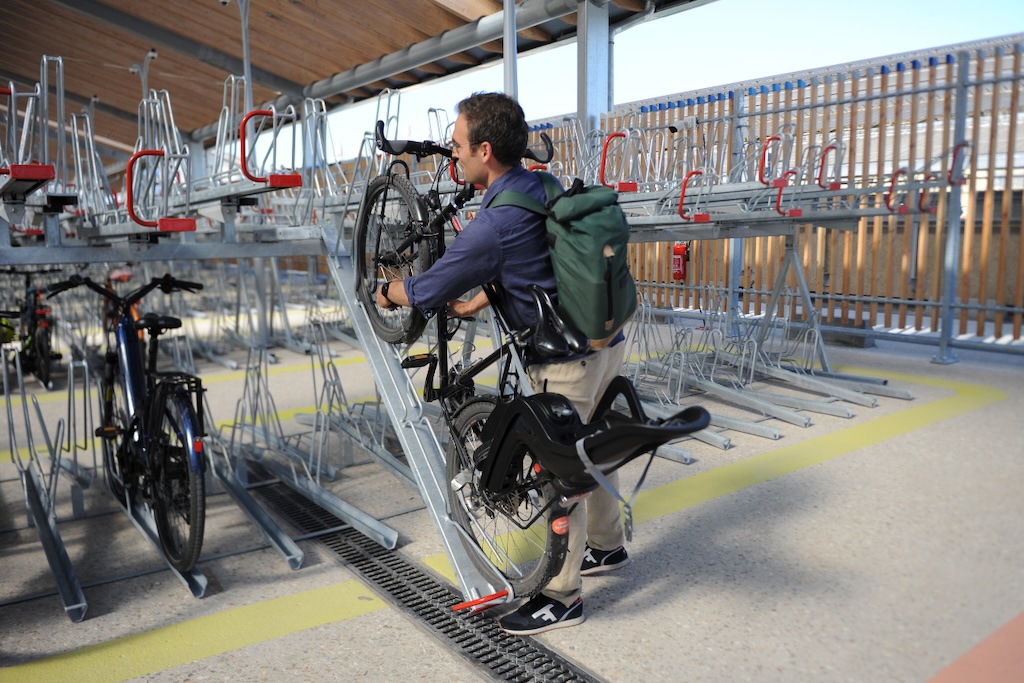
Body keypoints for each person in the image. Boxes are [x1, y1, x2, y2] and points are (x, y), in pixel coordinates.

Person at [375, 92, 629, 636]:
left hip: (566, 356)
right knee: (595, 445)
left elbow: (428, 288)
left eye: (459, 146)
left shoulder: (492, 224)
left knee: (562, 472)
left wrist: (388, 292)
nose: (453, 155)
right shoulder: (541, 185)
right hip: (607, 337)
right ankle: (607, 548)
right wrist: (478, 301)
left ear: (484, 151)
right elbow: (538, 259)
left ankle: (561, 598)